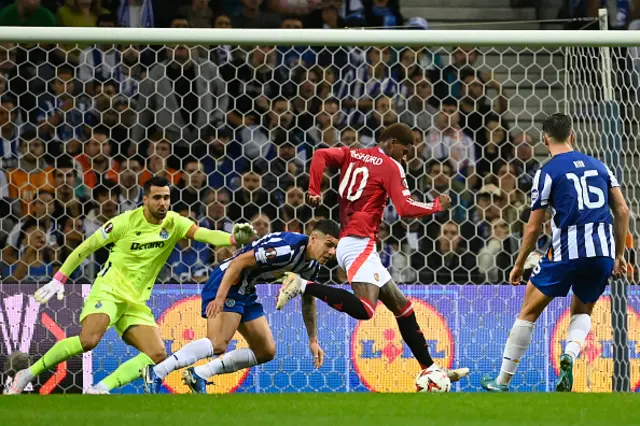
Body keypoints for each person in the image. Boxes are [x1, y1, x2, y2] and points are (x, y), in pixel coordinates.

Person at [3, 176, 256, 395]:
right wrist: (59, 278)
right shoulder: (124, 222)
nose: (163, 204)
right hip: (109, 291)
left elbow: (205, 234)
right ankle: (27, 374)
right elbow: (86, 247)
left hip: (135, 301)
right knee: (88, 340)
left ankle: (101, 387)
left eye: (167, 198)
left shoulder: (174, 222)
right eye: (157, 198)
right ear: (145, 199)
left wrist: (234, 238)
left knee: (157, 355)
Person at [276, 122, 469, 382]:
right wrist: (436, 205)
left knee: (403, 307)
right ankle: (302, 284)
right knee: (366, 309)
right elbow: (405, 208)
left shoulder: (352, 153)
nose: (407, 155)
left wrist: (314, 189)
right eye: (405, 149)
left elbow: (320, 155)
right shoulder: (391, 166)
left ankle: (430, 368)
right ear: (391, 143)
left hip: (357, 242)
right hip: (358, 241)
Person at [480, 113, 630, 392]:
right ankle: (569, 355)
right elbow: (622, 210)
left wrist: (519, 263)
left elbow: (534, 226)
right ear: (572, 136)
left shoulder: (548, 171)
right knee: (583, 309)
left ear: (545, 140)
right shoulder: (600, 166)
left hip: (566, 251)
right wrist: (619, 255)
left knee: (528, 311)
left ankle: (502, 381)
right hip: (602, 251)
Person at [142, 220, 340, 394]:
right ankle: (157, 371)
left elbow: (308, 300)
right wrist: (220, 298)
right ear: (314, 238)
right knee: (218, 342)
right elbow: (238, 262)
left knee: (265, 351)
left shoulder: (312, 266)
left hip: (246, 289)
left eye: (335, 248)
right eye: (329, 245)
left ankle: (199, 374)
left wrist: (313, 340)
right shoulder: (284, 249)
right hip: (229, 280)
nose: (331, 252)